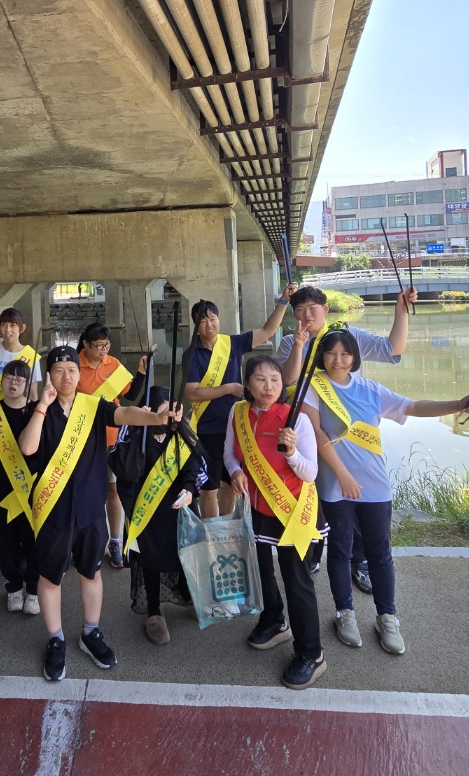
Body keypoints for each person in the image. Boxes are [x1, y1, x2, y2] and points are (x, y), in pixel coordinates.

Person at [302, 329, 469, 656]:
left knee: (380, 553)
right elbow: (317, 434)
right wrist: (343, 475)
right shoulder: (313, 388)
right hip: (335, 485)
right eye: (331, 353)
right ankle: (344, 613)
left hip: (374, 485)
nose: (338, 360)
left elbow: (413, 406)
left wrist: (459, 404)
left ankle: (387, 617)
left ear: (355, 357)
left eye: (345, 353)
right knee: (340, 551)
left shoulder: (370, 389)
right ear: (322, 356)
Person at [18, 346, 182, 683]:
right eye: (59, 370)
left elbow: (125, 414)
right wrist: (42, 405)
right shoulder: (40, 410)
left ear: (79, 375)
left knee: (91, 572)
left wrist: (156, 418)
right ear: (49, 376)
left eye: (71, 370)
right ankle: (56, 639)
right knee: (50, 578)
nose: (66, 376)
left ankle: (90, 632)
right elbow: (27, 447)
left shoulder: (93, 406)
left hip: (91, 510)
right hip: (52, 513)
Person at [279, 285, 417, 590]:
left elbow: (393, 348)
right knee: (313, 495)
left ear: (326, 310)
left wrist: (401, 309)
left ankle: (360, 561)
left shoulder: (349, 337)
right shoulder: (289, 342)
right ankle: (314, 551)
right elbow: (285, 381)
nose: (307, 315)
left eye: (313, 308)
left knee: (354, 499)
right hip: (307, 434)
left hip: (350, 437)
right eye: (300, 310)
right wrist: (299, 346)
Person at [224, 357, 325, 688]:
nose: (268, 386)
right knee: (261, 570)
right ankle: (274, 620)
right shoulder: (238, 413)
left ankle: (311, 653)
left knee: (297, 581)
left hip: (291, 511)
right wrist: (235, 471)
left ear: (282, 384)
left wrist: (292, 452)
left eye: (274, 379)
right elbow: (230, 454)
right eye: (260, 379)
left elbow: (310, 473)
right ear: (247, 384)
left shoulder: (297, 419)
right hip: (257, 509)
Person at [184, 285, 296, 518]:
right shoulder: (192, 354)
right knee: (209, 488)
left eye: (213, 319)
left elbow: (267, 331)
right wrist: (227, 389)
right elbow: (192, 393)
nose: (209, 324)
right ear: (196, 325)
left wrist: (284, 301)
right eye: (203, 321)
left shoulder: (232, 343)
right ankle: (212, 532)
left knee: (231, 483)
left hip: (238, 425)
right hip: (208, 429)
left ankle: (227, 527)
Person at [108, 377, 204, 645]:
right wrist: (138, 427)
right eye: (162, 411)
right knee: (149, 560)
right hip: (146, 513)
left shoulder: (181, 433)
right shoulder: (134, 434)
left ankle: (186, 594)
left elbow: (196, 466)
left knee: (183, 555)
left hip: (177, 510)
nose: (169, 416)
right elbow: (125, 470)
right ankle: (153, 611)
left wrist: (189, 488)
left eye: (172, 410)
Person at [75, 322, 149, 570]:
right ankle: (82, 539)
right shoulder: (73, 364)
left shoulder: (114, 364)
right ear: (86, 344)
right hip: (82, 439)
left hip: (111, 438)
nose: (104, 350)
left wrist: (141, 373)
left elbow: (130, 395)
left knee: (112, 489)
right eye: (99, 345)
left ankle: (115, 541)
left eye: (107, 345)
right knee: (84, 488)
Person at [0, 358, 42, 614]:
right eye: (8, 378)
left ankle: (34, 591)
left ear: (28, 384)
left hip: (32, 491)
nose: (13, 383)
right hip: (0, 488)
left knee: (33, 542)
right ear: (1, 382)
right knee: (6, 542)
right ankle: (13, 587)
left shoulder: (38, 412)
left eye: (19, 379)